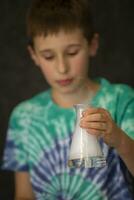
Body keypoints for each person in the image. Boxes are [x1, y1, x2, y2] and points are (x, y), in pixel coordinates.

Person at [2, 0, 134, 199]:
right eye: (48, 56)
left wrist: (119, 139)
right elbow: (23, 195)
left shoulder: (121, 100)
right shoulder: (23, 117)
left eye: (72, 52)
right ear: (34, 55)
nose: (62, 68)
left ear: (92, 45)